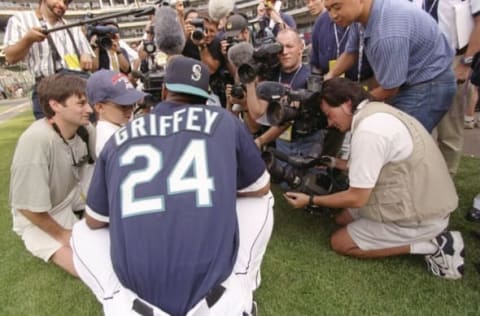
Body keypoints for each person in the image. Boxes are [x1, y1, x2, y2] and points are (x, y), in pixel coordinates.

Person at [71, 56, 274, 315]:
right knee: (261, 200)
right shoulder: (224, 120)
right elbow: (260, 188)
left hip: (140, 294)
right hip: (215, 297)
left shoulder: (119, 137)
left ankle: (117, 301)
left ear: (165, 90)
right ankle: (242, 286)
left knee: (82, 231)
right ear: (206, 97)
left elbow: (95, 221)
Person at [284, 78, 464, 280]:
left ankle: (433, 244)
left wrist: (311, 200)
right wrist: (334, 162)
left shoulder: (369, 131)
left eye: (329, 114)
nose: (329, 122)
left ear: (347, 104)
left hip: (422, 214)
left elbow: (356, 198)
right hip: (424, 197)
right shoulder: (376, 112)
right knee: (341, 218)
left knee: (340, 242)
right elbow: (377, 161)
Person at [9, 73, 95, 276]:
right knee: (85, 268)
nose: (89, 110)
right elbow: (26, 207)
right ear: (55, 105)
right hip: (38, 215)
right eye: (81, 103)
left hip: (73, 197)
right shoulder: (37, 140)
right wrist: (62, 235)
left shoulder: (85, 129)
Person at [324, 0, 456, 132]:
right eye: (328, 9)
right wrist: (328, 77)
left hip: (428, 84)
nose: (333, 15)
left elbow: (390, 88)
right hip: (408, 80)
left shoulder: (387, 33)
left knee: (400, 138)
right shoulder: (360, 17)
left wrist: (353, 106)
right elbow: (350, 52)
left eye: (337, 7)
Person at [4, 0, 95, 120]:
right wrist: (28, 40)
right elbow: (10, 58)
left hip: (78, 89)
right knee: (52, 136)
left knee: (86, 134)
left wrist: (87, 54)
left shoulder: (73, 27)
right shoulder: (21, 20)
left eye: (66, 2)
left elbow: (94, 65)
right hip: (48, 90)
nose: (62, 5)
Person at [86, 69, 147, 156]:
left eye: (132, 104)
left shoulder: (116, 124)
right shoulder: (110, 140)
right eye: (123, 106)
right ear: (100, 107)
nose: (130, 110)